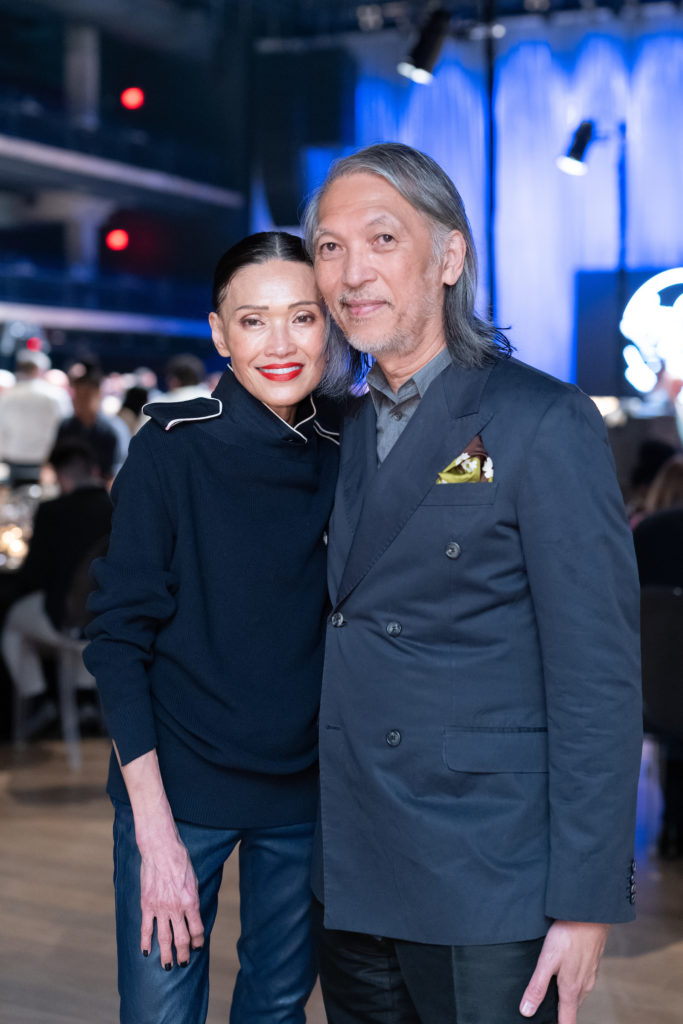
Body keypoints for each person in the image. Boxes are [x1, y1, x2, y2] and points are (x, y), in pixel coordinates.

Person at [301, 143, 643, 1024]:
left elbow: (595, 677)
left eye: (381, 238)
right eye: (328, 247)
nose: (350, 272)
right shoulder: (332, 432)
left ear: (449, 258)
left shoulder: (540, 418)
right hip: (351, 866)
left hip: (486, 875)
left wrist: (585, 899)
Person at [83, 231, 360, 1024]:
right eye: (253, 321)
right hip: (177, 784)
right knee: (160, 1012)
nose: (279, 344)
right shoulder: (171, 450)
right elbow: (116, 640)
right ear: (218, 333)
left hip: (303, 788)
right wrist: (154, 834)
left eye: (302, 318)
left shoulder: (351, 444)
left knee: (275, 1008)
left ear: (329, 325)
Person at [2, 440, 112, 738]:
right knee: (81, 614)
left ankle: (37, 698)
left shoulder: (53, 511)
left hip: (66, 620)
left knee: (12, 621)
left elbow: (32, 575)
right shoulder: (115, 508)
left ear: (62, 477)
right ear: (94, 470)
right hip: (107, 620)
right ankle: (84, 698)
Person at [0, 348, 70, 486]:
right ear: (40, 370)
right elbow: (66, 425)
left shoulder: (7, 396)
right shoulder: (57, 395)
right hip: (45, 461)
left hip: (12, 459)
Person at [56, 362, 129, 482]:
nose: (80, 401)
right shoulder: (66, 426)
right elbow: (55, 463)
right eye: (77, 395)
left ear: (98, 395)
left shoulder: (113, 429)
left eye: (86, 396)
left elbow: (115, 472)